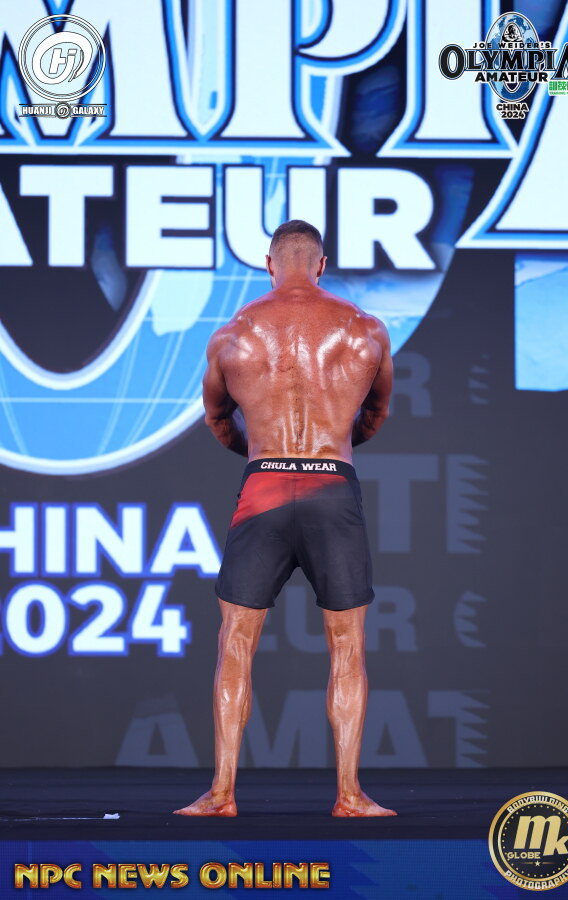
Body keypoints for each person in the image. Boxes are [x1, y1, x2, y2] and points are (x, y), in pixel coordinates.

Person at [174, 220, 394, 818]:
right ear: (321, 264)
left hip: (264, 486)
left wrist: (260, 454)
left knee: (234, 644)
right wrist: (333, 448)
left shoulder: (233, 335)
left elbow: (217, 418)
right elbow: (375, 413)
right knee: (347, 645)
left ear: (269, 264)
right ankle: (349, 796)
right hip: (333, 487)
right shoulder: (365, 330)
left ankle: (222, 794)